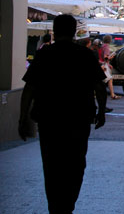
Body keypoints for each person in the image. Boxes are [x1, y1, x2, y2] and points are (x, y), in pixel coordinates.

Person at [18, 14, 107, 214]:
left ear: (55, 31)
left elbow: (29, 89)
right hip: (78, 118)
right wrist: (101, 111)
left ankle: (55, 208)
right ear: (74, 30)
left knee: (51, 166)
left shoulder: (44, 54)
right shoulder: (84, 55)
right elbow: (99, 87)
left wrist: (23, 117)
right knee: (76, 165)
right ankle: (68, 206)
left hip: (49, 119)